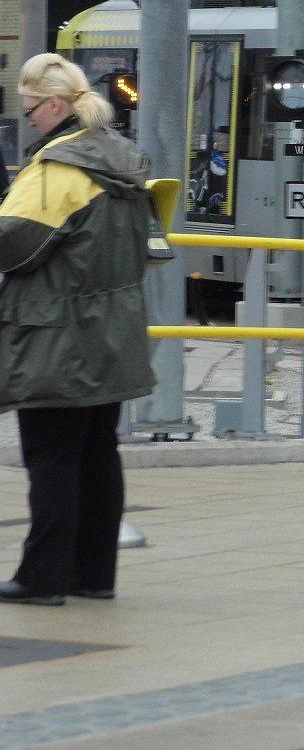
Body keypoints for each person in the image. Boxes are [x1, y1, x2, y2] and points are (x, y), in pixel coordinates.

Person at [0, 53, 155, 606]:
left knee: (52, 456)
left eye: (32, 108)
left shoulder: (59, 168)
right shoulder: (124, 158)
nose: (29, 119)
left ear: (58, 104)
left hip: (56, 333)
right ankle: (93, 574)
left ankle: (42, 579)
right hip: (112, 329)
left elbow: (14, 240)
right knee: (96, 452)